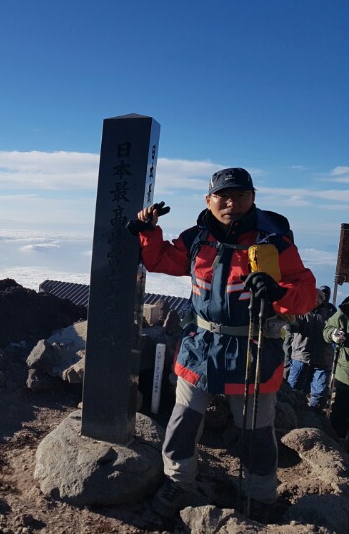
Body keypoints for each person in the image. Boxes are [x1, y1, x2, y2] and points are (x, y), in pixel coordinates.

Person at [129, 167, 316, 522]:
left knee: (256, 433)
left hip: (253, 350)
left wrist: (279, 292)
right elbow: (161, 260)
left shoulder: (274, 243)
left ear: (253, 198)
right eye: (223, 196)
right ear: (208, 200)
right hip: (201, 346)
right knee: (183, 422)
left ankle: (260, 496)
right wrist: (149, 232)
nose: (231, 203)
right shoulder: (197, 238)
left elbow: (305, 292)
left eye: (240, 195)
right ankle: (178, 482)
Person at [285, 289, 335, 408]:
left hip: (323, 360)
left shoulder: (330, 312)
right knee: (293, 389)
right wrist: (290, 321)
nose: (315, 301)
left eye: (318, 298)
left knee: (319, 392)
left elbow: (334, 329)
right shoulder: (300, 310)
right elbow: (293, 328)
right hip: (301, 356)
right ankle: (293, 413)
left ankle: (315, 414)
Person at [323, 296, 349, 441]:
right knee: (341, 409)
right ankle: (338, 441)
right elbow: (327, 329)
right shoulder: (345, 310)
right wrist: (333, 335)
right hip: (346, 371)